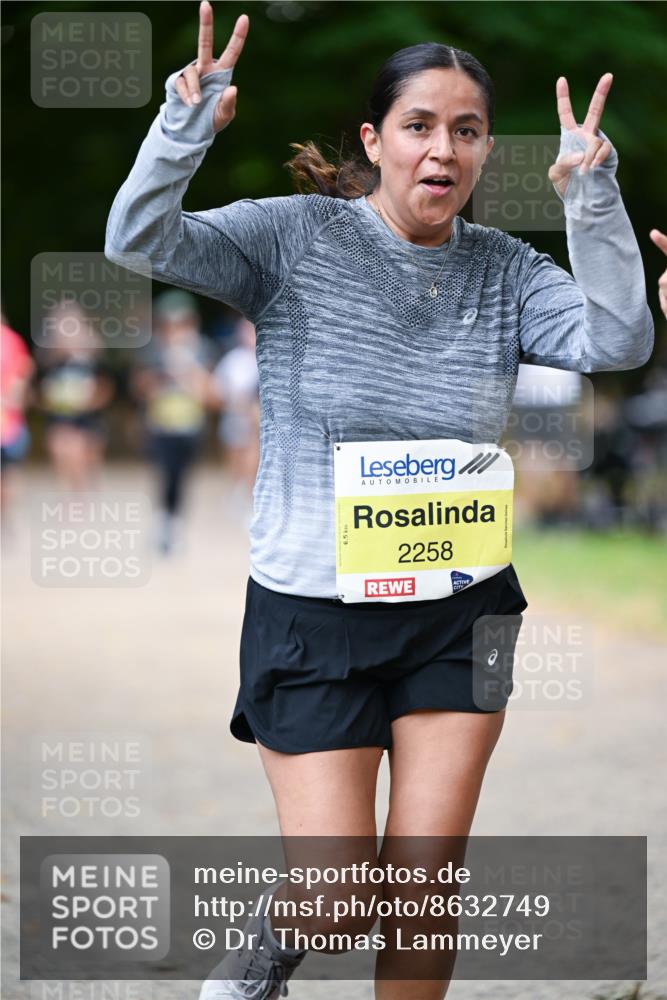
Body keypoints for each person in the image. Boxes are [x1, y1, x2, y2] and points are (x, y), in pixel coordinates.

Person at [105, 4, 654, 998]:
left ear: (486, 149)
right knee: (335, 895)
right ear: (375, 139)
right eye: (418, 125)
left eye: (468, 130)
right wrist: (183, 125)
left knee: (425, 883)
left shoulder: (506, 271)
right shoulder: (294, 239)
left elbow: (615, 340)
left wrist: (592, 195)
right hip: (312, 610)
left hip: (462, 607)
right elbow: (138, 240)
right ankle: (266, 953)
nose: (442, 148)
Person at [131, 288, 215, 553]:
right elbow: (140, 386)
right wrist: (160, 377)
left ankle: (174, 523)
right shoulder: (153, 351)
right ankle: (163, 522)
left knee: (181, 475)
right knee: (163, 472)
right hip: (160, 424)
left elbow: (210, 392)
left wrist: (188, 370)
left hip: (189, 425)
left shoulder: (203, 350)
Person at [36, 301, 113, 491]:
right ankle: (70, 493)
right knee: (61, 448)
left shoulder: (92, 351)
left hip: (87, 413)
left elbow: (105, 383)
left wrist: (93, 402)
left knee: (86, 453)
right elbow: (41, 386)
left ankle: (83, 487)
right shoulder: (48, 354)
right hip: (61, 412)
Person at [211, 314, 260, 514]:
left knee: (254, 453)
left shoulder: (265, 356)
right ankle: (237, 491)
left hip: (257, 416)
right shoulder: (233, 359)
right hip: (235, 415)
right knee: (235, 455)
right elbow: (217, 389)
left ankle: (249, 493)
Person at [1, 317, 34, 529]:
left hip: (8, 423)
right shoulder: (13, 340)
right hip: (9, 422)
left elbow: (21, 377)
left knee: (9, 473)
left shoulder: (10, 341)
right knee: (9, 473)